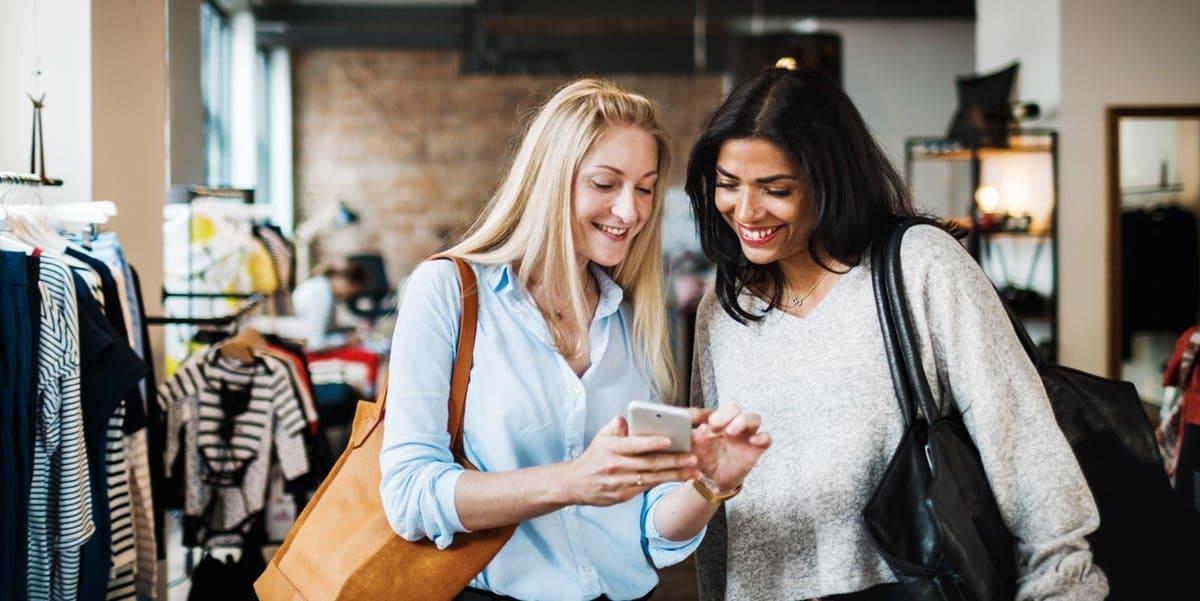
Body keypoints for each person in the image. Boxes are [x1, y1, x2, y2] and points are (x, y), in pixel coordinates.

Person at [684, 66, 1108, 601]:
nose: (745, 212)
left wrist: (1063, 586)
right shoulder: (723, 309)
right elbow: (716, 508)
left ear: (829, 181)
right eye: (727, 185)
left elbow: (1024, 444)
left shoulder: (919, 268)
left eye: (776, 189)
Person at [379, 78, 772, 601]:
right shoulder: (450, 291)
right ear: (551, 179)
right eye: (605, 184)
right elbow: (409, 497)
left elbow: (652, 532)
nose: (630, 212)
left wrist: (710, 484)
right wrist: (575, 480)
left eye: (645, 188)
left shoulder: (640, 318)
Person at [291, 260, 367, 351]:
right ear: (345, 282)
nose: (348, 297)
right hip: (303, 351)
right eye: (351, 293)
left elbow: (324, 329)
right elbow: (314, 343)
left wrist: (350, 329)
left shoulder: (320, 285)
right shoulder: (321, 292)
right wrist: (345, 340)